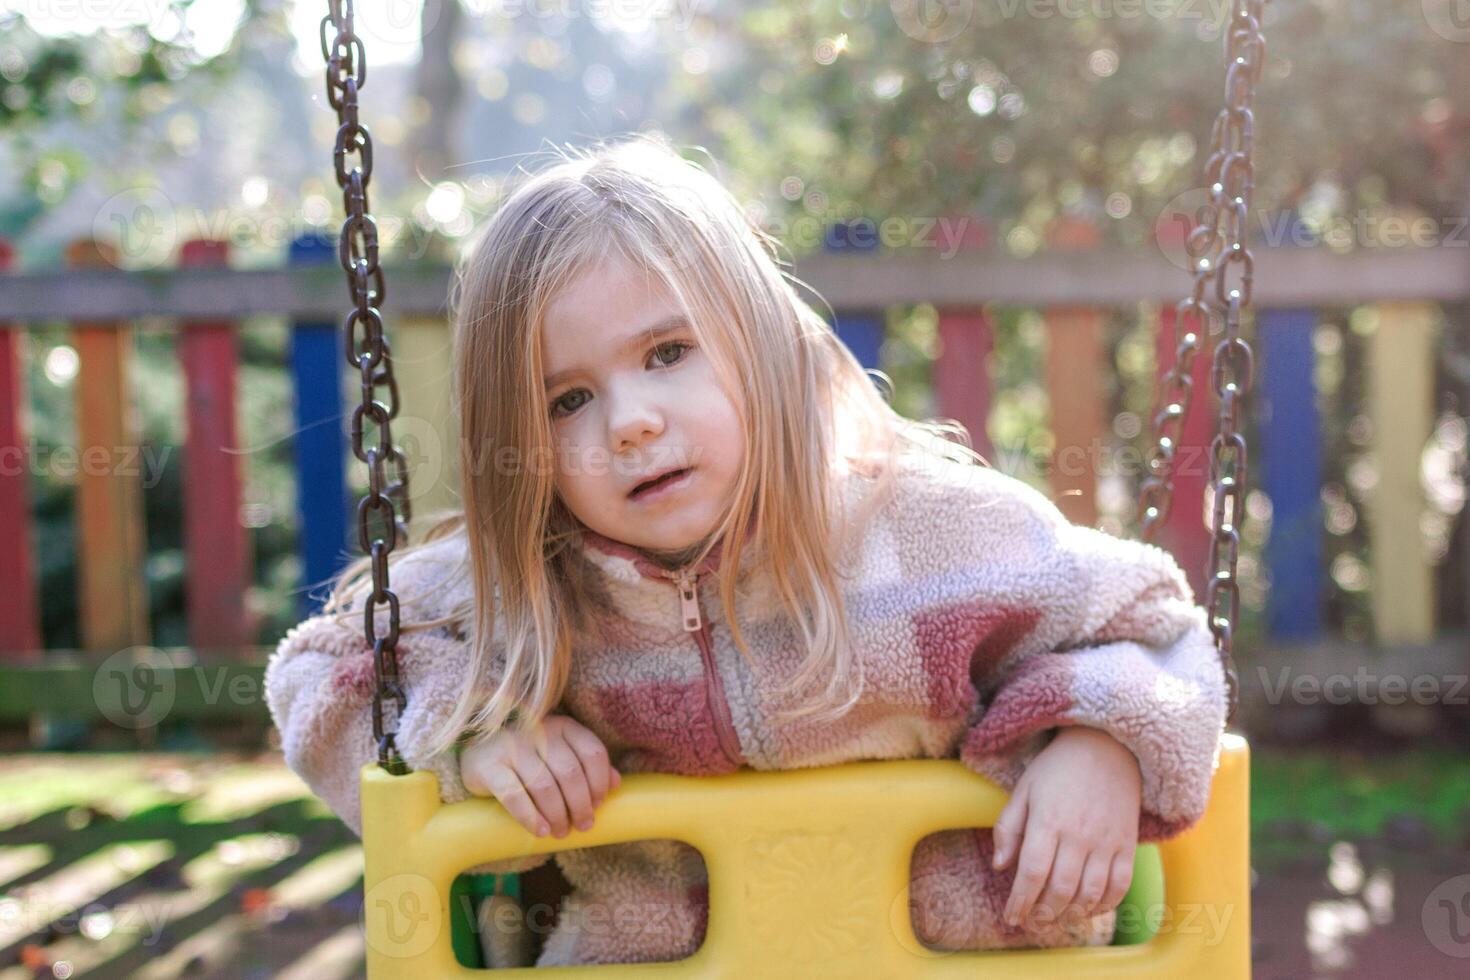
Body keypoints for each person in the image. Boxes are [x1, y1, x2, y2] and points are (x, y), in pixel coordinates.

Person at [264, 134, 1229, 967]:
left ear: (762, 344)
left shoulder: (933, 536)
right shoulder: (527, 589)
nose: (632, 423)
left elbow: (1155, 630)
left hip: (968, 967)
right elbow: (318, 680)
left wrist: (1101, 741)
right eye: (568, 401)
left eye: (668, 353)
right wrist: (472, 735)